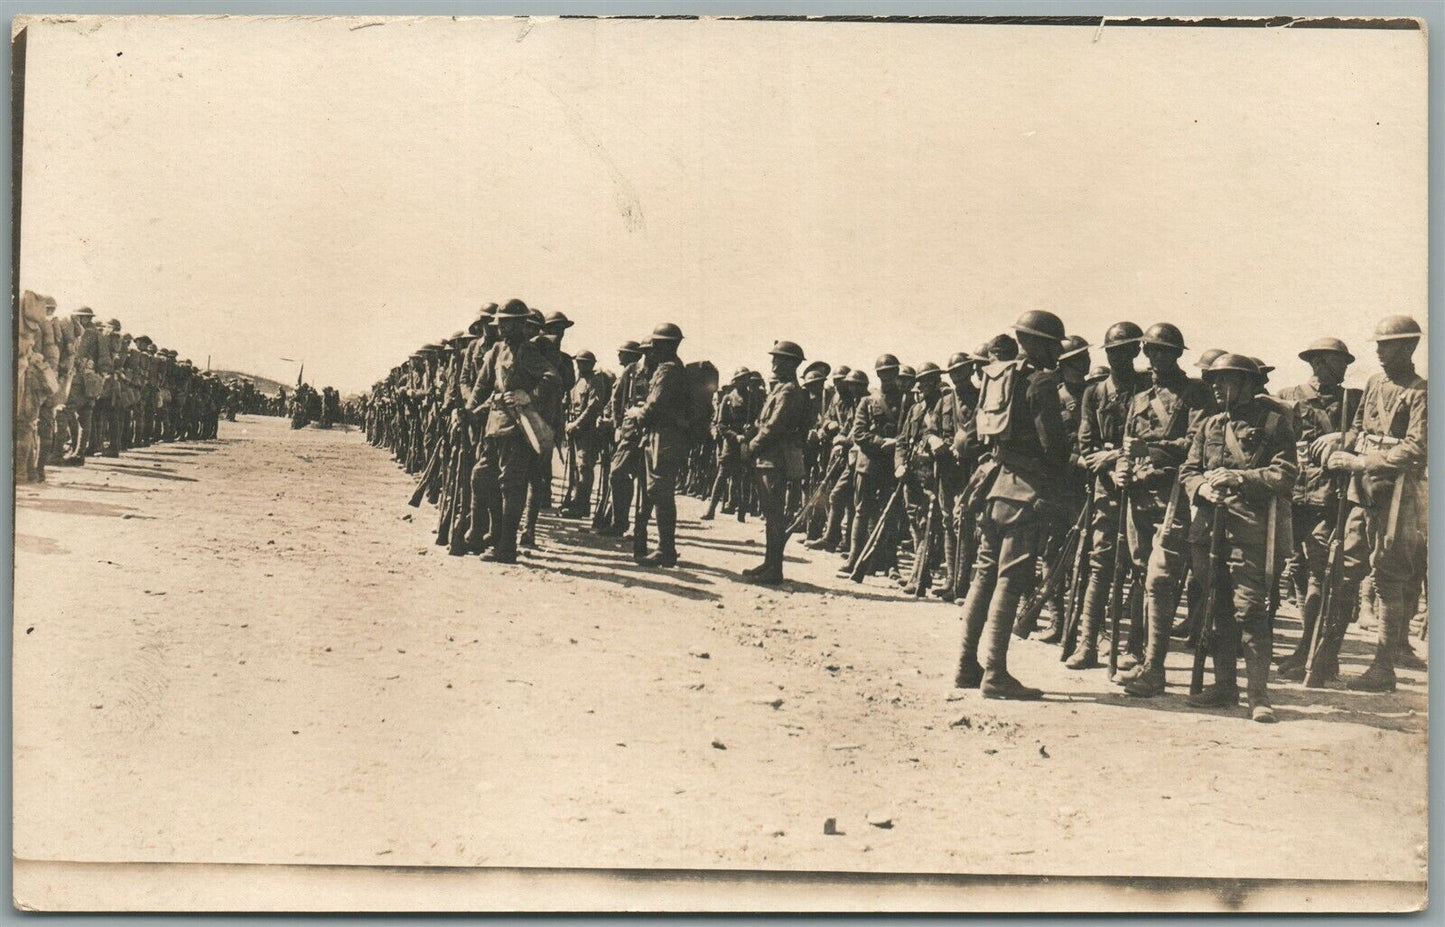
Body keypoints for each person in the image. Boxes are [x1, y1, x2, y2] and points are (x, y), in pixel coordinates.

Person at [953, 310, 1072, 700]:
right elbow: (1053, 447)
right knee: (1010, 580)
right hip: (1026, 490)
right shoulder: (1040, 382)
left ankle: (965, 665)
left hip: (992, 486)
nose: (1058, 352)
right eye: (1053, 344)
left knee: (984, 574)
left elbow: (969, 439)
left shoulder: (996, 377)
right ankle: (996, 672)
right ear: (1037, 344)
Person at [1311, 315, 1427, 692]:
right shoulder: (1374, 384)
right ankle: (1326, 657)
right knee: (1342, 570)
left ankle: (1383, 668)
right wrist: (1338, 439)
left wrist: (1360, 460)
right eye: (1378, 344)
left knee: (1388, 578)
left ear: (1409, 347)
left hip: (1397, 495)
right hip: (1360, 494)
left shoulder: (1422, 392)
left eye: (1387, 345)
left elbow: (1417, 449)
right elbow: (1359, 430)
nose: (1378, 351)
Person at [1180, 353, 1297, 722]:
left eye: (1225, 381)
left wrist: (1239, 479)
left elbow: (1285, 475)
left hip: (1250, 533)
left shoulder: (1275, 423)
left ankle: (1258, 696)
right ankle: (1224, 686)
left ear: (1248, 384)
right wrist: (1201, 490)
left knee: (1250, 612)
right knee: (1216, 609)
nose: (1216, 387)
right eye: (1213, 381)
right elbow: (1188, 471)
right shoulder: (1209, 424)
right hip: (1209, 530)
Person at [1115, 322, 1215, 698]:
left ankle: (1155, 669)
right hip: (1139, 495)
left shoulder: (1196, 393)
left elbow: (1195, 444)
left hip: (1175, 495)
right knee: (1142, 572)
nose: (1154, 358)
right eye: (1150, 351)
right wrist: (1123, 466)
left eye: (1162, 351)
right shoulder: (1140, 396)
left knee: (1162, 577)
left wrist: (1151, 451)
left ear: (1176, 355)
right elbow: (1128, 442)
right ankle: (1141, 656)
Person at [1273, 337, 1355, 680]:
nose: (1345, 367)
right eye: (1339, 361)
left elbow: (1367, 433)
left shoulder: (1353, 400)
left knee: (1321, 571)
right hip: (1293, 493)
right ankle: (1309, 650)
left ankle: (1313, 651)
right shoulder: (1287, 396)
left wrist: (1343, 438)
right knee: (1297, 569)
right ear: (1319, 362)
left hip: (1328, 496)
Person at [1067, 322, 1146, 669]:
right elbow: (1086, 448)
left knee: (1141, 567)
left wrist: (1117, 457)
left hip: (1144, 486)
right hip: (1106, 489)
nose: (1118, 358)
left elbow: (1153, 440)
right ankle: (1087, 645)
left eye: (1125, 351)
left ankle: (1134, 649)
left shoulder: (1149, 388)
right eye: (1112, 352)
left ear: (1135, 352)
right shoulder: (1094, 393)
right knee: (1100, 566)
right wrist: (1110, 468)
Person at [466, 298, 559, 564]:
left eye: (510, 324)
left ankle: (506, 547)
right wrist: (470, 411)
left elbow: (553, 377)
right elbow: (481, 386)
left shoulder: (528, 352)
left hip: (518, 430)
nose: (505, 329)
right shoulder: (496, 350)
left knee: (511, 487)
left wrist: (528, 395)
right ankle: (487, 534)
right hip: (494, 427)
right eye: (502, 324)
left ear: (521, 325)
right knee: (481, 477)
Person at [742, 340, 810, 583]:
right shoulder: (781, 388)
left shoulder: (789, 390)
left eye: (778, 359)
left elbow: (774, 427)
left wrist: (751, 446)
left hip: (775, 459)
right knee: (771, 515)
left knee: (774, 516)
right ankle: (770, 564)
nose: (773, 362)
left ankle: (774, 570)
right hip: (768, 458)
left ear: (790, 363)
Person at [840, 354, 904, 580]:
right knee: (862, 511)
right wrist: (881, 443)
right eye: (883, 372)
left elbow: (910, 432)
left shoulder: (907, 401)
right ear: (878, 374)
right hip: (868, 465)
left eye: (891, 371)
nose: (887, 376)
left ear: (896, 373)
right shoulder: (867, 402)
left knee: (890, 514)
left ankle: (890, 563)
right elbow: (858, 433)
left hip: (893, 466)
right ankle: (854, 558)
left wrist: (896, 443)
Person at [632, 322, 690, 567]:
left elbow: (655, 404)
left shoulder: (668, 370)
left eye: (656, 343)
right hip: (664, 436)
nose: (652, 348)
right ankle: (665, 548)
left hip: (664, 437)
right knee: (659, 491)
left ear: (666, 346)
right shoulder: (673, 368)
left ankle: (666, 550)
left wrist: (638, 414)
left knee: (661, 492)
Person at [562, 349, 609, 518]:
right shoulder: (577, 380)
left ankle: (582, 505)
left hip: (588, 431)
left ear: (592, 364)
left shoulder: (595, 381)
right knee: (575, 468)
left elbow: (593, 407)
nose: (581, 365)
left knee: (584, 468)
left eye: (584, 362)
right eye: (579, 362)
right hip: (575, 430)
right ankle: (575, 501)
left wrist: (576, 424)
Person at [702, 368, 753, 522]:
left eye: (746, 378)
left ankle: (741, 513)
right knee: (722, 476)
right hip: (731, 444)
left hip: (747, 442)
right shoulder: (728, 399)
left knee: (742, 478)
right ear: (735, 381)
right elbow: (721, 424)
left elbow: (759, 420)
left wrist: (750, 431)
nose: (744, 381)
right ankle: (711, 510)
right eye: (741, 379)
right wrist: (735, 436)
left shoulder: (753, 399)